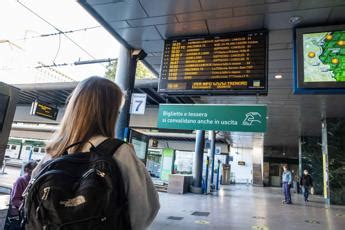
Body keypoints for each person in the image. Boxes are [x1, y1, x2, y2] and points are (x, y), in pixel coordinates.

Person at [31, 76, 160, 230]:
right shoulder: (119, 152)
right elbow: (146, 211)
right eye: (117, 111)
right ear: (110, 113)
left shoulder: (53, 152)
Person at [4, 161, 37, 230]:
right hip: (20, 215)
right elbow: (15, 199)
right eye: (34, 168)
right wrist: (28, 208)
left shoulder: (35, 181)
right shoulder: (21, 180)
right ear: (27, 169)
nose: (36, 171)